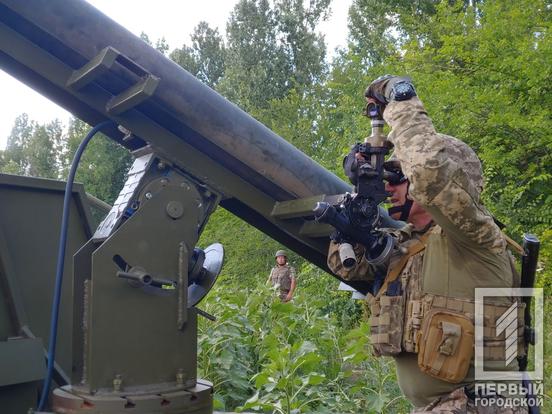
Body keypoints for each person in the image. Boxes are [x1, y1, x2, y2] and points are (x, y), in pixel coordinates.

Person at [328, 75, 527, 413]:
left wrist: (399, 97)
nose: (389, 187)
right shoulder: (409, 245)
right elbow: (347, 266)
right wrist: (361, 200)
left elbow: (429, 174)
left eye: (397, 177)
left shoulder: (477, 240)